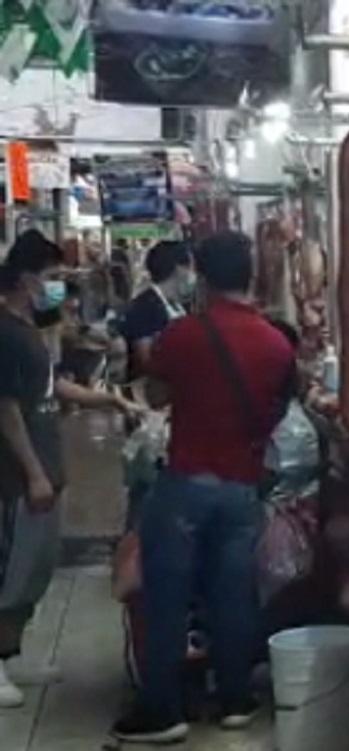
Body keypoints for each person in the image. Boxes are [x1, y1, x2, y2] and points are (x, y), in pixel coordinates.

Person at [113, 231, 295, 744]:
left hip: (187, 483)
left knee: (167, 596)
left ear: (202, 274)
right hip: (242, 490)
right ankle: (235, 698)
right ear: (252, 273)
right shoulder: (277, 343)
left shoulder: (183, 335)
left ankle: (163, 710)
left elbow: (156, 392)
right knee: (233, 593)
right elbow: (277, 409)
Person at [0, 230, 140, 708]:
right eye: (53, 278)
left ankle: (12, 654)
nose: (59, 287)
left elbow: (50, 388)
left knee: (34, 571)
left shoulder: (28, 329)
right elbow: (7, 408)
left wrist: (107, 397)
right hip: (16, 475)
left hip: (44, 464)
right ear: (25, 279)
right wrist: (34, 472)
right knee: (10, 570)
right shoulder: (4, 331)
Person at [120, 241, 194, 382]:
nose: (193, 274)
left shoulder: (177, 305)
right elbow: (145, 361)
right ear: (179, 269)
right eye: (191, 267)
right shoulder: (145, 307)